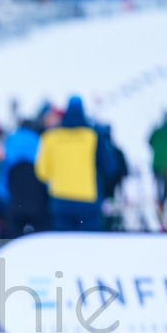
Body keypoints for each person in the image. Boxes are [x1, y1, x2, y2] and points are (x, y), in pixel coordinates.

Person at [34, 95, 111, 232]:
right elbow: (109, 167)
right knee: (89, 244)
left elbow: (42, 173)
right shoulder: (93, 136)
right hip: (88, 201)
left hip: (60, 200)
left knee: (64, 244)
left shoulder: (50, 138)